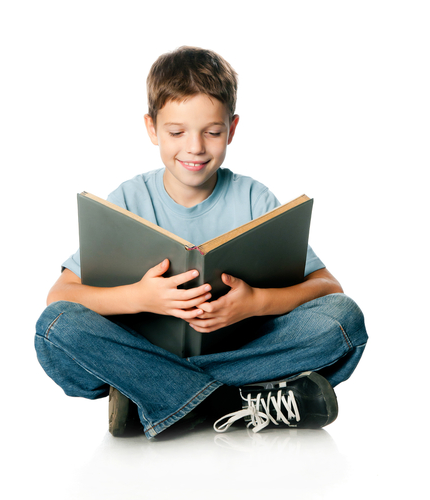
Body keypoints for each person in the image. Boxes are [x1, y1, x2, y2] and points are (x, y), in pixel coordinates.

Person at [35, 46, 368, 439]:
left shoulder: (253, 199)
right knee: (56, 327)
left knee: (343, 320)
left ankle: (157, 398)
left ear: (232, 128)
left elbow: (329, 288)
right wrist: (140, 298)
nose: (195, 147)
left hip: (242, 350)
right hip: (145, 350)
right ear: (151, 128)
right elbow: (60, 296)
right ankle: (233, 403)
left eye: (212, 132)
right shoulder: (128, 199)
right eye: (177, 132)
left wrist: (256, 303)